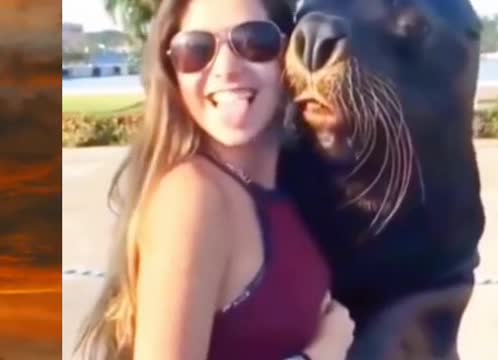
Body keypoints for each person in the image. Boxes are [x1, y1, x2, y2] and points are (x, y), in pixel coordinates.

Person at [74, 0, 354, 359]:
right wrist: (319, 355)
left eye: (254, 42)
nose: (226, 70)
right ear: (173, 71)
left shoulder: (284, 186)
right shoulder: (194, 197)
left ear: (289, 53)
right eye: (196, 50)